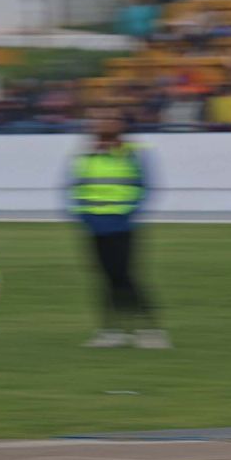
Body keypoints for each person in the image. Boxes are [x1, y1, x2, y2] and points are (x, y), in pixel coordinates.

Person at [67, 109, 170, 349]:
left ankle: (150, 330)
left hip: (121, 225)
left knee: (124, 277)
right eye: (99, 119)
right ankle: (111, 331)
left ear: (122, 125)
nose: (103, 123)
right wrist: (82, 215)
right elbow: (76, 187)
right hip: (94, 225)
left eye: (110, 119)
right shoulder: (85, 155)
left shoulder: (133, 153)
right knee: (105, 278)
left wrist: (130, 214)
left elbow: (145, 185)